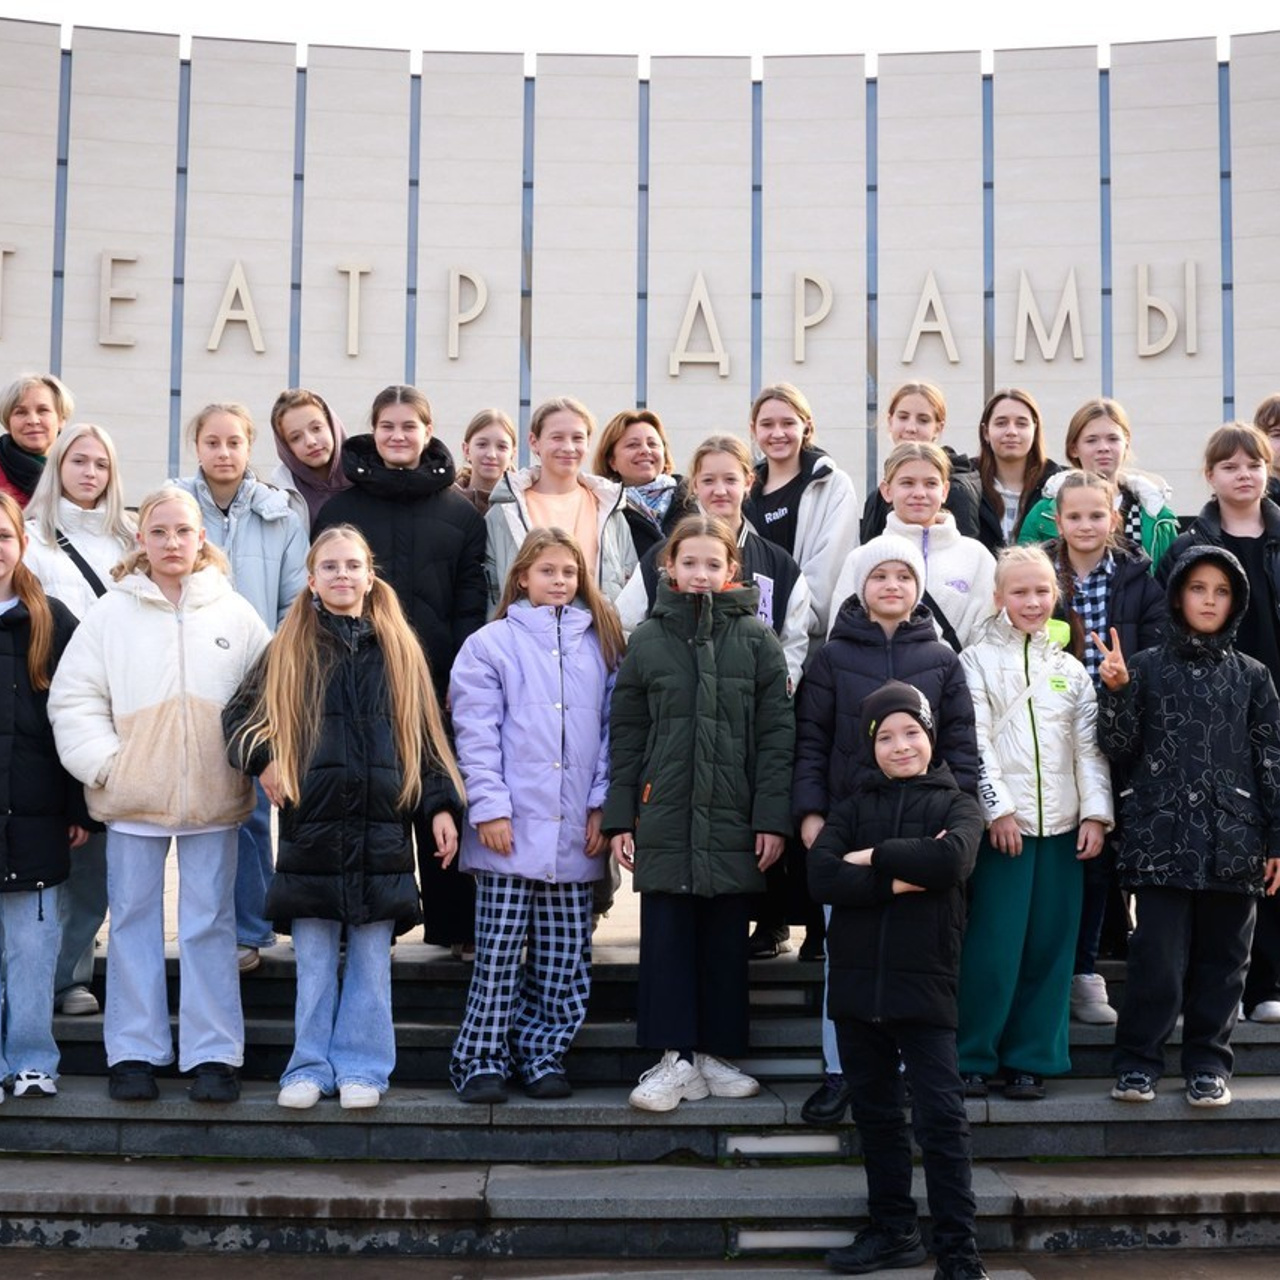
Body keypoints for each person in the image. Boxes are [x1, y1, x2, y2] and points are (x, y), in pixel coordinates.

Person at [224, 526, 463, 1111]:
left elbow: (428, 740)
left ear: (370, 574)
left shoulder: (401, 649)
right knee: (312, 961)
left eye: (352, 565)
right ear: (311, 579)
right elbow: (238, 717)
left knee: (370, 962)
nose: (341, 576)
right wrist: (265, 758)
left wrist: (439, 805)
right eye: (329, 567)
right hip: (314, 831)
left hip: (382, 832)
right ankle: (307, 1065)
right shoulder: (288, 648)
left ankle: (363, 1066)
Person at [49, 487, 271, 1103]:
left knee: (209, 925)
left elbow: (267, 697)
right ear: (140, 540)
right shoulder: (111, 613)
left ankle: (214, 1055)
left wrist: (249, 764)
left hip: (213, 799)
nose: (172, 543)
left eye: (183, 531)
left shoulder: (234, 613)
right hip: (133, 800)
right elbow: (75, 698)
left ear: (203, 538)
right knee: (134, 926)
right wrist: (106, 766)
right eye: (159, 532)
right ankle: (134, 1053)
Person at [604, 514, 794, 1112]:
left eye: (714, 564)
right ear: (670, 568)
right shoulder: (648, 639)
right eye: (690, 563)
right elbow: (627, 733)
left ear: (732, 571)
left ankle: (714, 1052)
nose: (702, 574)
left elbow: (775, 734)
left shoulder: (758, 640)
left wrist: (771, 818)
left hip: (734, 815)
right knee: (666, 938)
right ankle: (673, 1058)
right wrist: (619, 817)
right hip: (664, 813)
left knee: (722, 940)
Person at [793, 534, 979, 1126]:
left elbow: (960, 745)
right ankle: (841, 1070)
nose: (891, 585)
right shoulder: (830, 657)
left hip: (926, 828)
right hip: (852, 825)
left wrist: (960, 817)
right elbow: (811, 742)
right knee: (843, 955)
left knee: (917, 955)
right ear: (860, 585)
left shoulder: (944, 658)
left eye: (903, 575)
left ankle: (904, 1073)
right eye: (879, 576)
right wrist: (811, 813)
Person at [808, 682, 988, 1280]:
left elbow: (950, 862)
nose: (900, 745)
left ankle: (959, 1254)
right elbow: (823, 876)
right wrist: (899, 873)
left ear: (930, 736)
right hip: (859, 993)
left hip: (925, 989)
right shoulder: (851, 807)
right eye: (885, 736)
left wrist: (872, 856)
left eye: (911, 731)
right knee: (879, 1119)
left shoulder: (958, 804)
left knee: (941, 1121)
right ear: (871, 747)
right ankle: (894, 1231)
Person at [616, 434, 813, 960]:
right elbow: (627, 620)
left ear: (749, 482)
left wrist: (775, 683)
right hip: (683, 705)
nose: (720, 489)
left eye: (731, 478)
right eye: (708, 479)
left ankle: (769, 923)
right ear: (693, 485)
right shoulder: (664, 553)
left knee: (758, 816)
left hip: (753, 705)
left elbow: (794, 636)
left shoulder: (776, 560)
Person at [1097, 546, 1280, 1107]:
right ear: (1178, 594)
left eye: (1221, 591)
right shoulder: (1146, 666)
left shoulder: (1253, 677)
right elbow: (1117, 749)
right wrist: (1119, 692)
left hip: (1236, 840)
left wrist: (1275, 839)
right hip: (1161, 838)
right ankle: (1137, 1064)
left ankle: (1208, 1065)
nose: (1209, 599)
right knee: (1156, 961)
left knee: (1225, 964)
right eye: (1198, 588)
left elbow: (1272, 757)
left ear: (1236, 601)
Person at [448, 528, 623, 1103]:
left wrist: (602, 806)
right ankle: (480, 1060)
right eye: (547, 571)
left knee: (563, 959)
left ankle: (543, 1053)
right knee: (497, 955)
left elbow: (612, 735)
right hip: (509, 832)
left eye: (569, 573)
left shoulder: (601, 645)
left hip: (575, 832)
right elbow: (475, 734)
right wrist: (490, 808)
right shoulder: (490, 644)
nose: (559, 582)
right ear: (522, 576)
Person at [313, 384, 488, 956]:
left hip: (434, 679)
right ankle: (364, 924)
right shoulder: (342, 507)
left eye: (409, 426)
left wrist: (454, 681)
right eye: (387, 425)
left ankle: (455, 928)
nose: (397, 435)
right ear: (372, 430)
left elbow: (469, 603)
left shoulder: (461, 513)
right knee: (365, 801)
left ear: (428, 432)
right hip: (358, 674)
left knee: (441, 799)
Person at [955, 545, 1113, 1100]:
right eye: (1019, 592)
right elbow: (973, 742)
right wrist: (996, 808)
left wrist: (1096, 814)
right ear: (999, 597)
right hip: (1007, 830)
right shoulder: (975, 660)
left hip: (1064, 827)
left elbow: (1089, 749)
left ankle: (1031, 1057)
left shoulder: (1070, 670)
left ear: (1057, 595)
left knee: (1051, 946)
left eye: (1042, 591)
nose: (1032, 601)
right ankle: (973, 1052)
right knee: (993, 947)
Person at [176, 402, 309, 974]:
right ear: (197, 447)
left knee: (254, 805)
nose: (223, 452)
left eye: (234, 442)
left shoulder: (281, 516)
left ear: (249, 447)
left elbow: (293, 604)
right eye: (212, 442)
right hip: (191, 679)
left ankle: (252, 929)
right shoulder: (176, 505)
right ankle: (207, 925)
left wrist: (273, 674)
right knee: (197, 808)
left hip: (261, 682)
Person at [1159, 424, 1280, 1024]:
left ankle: (1266, 984)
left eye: (1253, 464)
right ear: (1209, 476)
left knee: (1270, 842)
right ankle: (1196, 991)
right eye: (1229, 466)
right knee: (1214, 848)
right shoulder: (1188, 544)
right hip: (1213, 705)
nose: (1243, 474)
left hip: (1272, 697)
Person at [1041, 471, 1167, 1024]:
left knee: (1099, 857)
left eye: (1097, 515)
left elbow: (1161, 652)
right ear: (1058, 521)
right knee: (1054, 855)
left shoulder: (1139, 579)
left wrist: (1126, 683)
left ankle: (1084, 971)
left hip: (1115, 734)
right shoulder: (1042, 573)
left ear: (1113, 519)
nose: (1086, 525)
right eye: (1075, 516)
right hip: (1048, 732)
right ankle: (1047, 970)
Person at [23, 423, 136, 1019]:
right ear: (58, 466)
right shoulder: (31, 541)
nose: (90, 473)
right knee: (45, 848)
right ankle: (27, 976)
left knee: (93, 850)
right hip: (42, 709)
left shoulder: (129, 542)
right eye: (79, 461)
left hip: (114, 714)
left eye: (101, 464)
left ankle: (71, 976)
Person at [0, 492, 86, 1100]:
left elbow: (79, 716)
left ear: (20, 543)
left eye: (2, 536)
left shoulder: (51, 620)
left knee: (32, 953)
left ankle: (32, 1058)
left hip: (35, 821)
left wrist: (79, 806)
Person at [832, 442, 996, 651]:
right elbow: (840, 639)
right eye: (907, 483)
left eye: (930, 484)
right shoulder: (861, 559)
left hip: (958, 679)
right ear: (887, 490)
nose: (919, 493)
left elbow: (989, 635)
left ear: (945, 490)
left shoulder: (977, 557)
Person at [486, 397, 637, 611]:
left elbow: (629, 592)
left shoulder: (608, 509)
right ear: (534, 442)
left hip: (597, 638)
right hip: (525, 639)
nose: (568, 447)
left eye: (577, 438)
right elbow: (491, 592)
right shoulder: (505, 511)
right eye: (557, 437)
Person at [741, 382, 859, 651]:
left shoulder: (832, 484)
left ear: (806, 426)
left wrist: (794, 621)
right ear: (753, 430)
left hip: (814, 642)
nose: (778, 433)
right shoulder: (745, 494)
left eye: (788, 423)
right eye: (767, 424)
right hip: (755, 642)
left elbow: (831, 564)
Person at [1018, 398, 1179, 570]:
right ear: (1074, 448)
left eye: (1112, 439)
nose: (1104, 447)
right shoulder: (1044, 513)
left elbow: (1170, 585)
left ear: (1126, 443)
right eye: (1091, 440)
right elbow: (1020, 575)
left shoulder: (1155, 515)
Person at [858, 382, 981, 543]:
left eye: (923, 420)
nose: (911, 428)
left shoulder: (956, 489)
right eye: (903, 417)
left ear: (938, 428)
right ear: (890, 421)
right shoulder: (876, 499)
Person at [973, 388, 1061, 555]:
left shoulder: (1058, 485)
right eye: (1001, 423)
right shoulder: (967, 483)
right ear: (986, 432)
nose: (1011, 432)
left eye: (1021, 423)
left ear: (1035, 430)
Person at [593, 408, 688, 558]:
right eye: (632, 445)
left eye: (652, 444)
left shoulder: (692, 498)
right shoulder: (603, 509)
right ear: (612, 461)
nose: (645, 450)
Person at [268, 388, 352, 533]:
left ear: (332, 426)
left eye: (316, 428)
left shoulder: (367, 477)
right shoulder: (280, 495)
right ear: (286, 448)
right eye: (296, 438)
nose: (310, 442)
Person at [0, 374, 73, 507]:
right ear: (7, 423)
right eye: (20, 412)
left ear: (61, 419)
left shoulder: (77, 472)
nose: (33, 420)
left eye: (43, 410)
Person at [455, 409, 517, 517]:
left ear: (512, 454)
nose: (491, 455)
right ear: (466, 450)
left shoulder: (524, 506)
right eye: (482, 444)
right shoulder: (445, 503)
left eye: (502, 447)